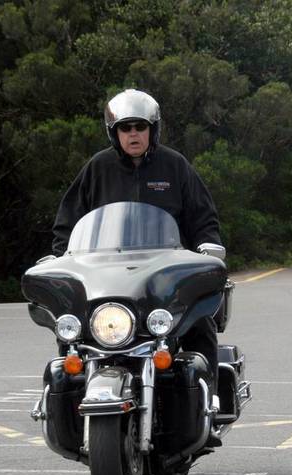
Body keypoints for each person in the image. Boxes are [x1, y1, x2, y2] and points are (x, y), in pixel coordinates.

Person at [52, 89, 222, 383]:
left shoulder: (175, 165)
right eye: (125, 128)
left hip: (165, 278)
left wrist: (208, 249)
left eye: (140, 126)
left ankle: (210, 396)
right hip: (107, 276)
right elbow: (69, 221)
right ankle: (70, 398)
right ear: (114, 132)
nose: (133, 134)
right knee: (70, 334)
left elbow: (202, 217)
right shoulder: (97, 168)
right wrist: (61, 257)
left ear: (153, 130)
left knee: (200, 326)